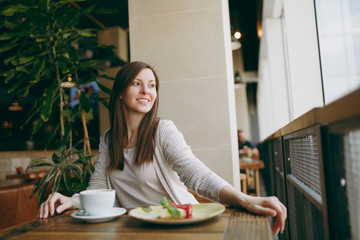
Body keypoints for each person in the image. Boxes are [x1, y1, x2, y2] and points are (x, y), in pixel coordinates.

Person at [38, 61, 286, 235]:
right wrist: (71, 200)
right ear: (121, 93)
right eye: (137, 83)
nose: (146, 90)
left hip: (179, 228)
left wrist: (245, 199)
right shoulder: (107, 140)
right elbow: (99, 188)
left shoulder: (163, 130)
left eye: (152, 85)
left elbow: (196, 174)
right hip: (135, 231)